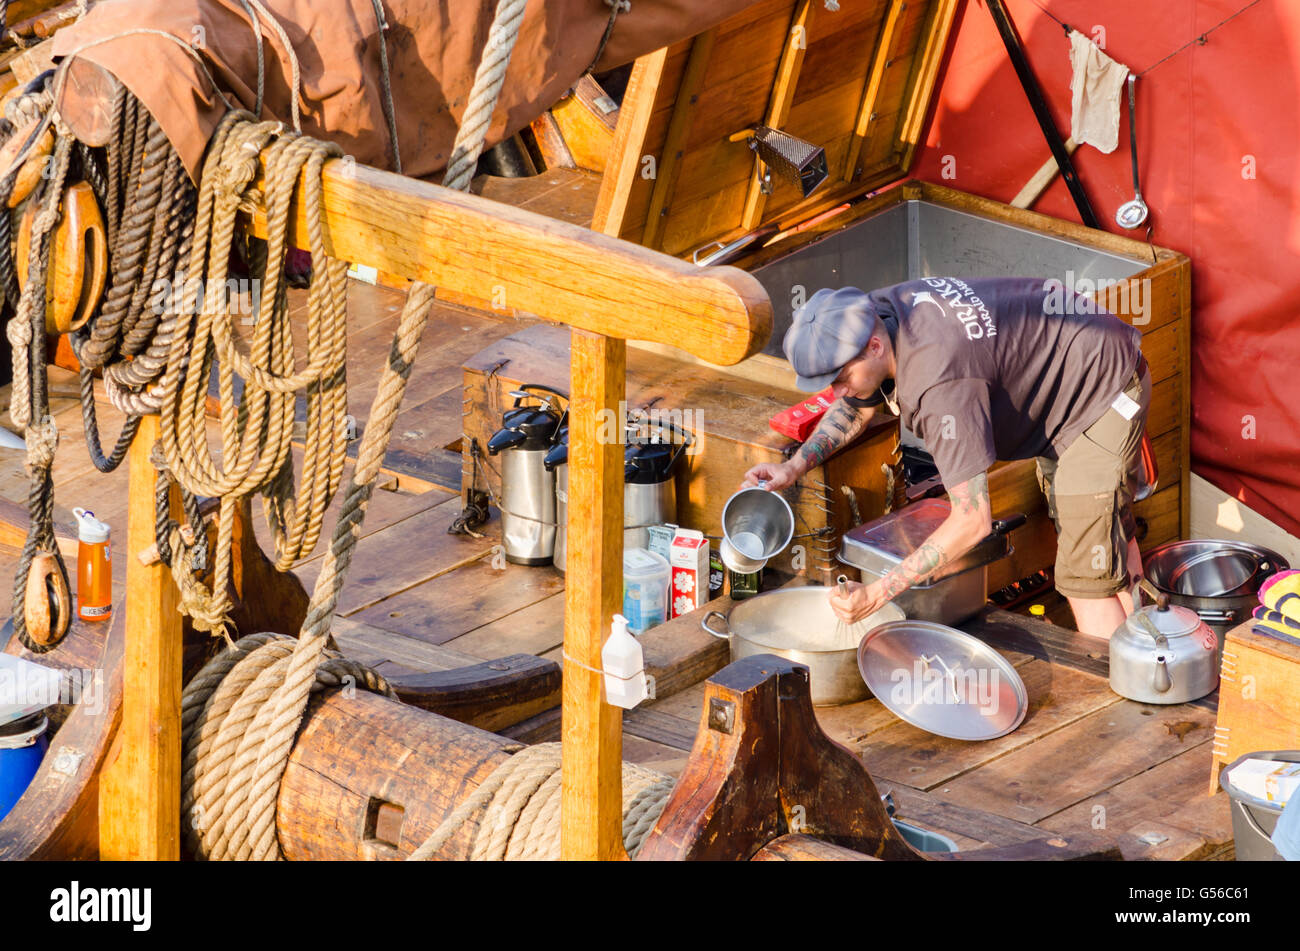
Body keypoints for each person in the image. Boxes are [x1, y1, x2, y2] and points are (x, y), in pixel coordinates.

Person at [740, 278, 1151, 639]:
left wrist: (878, 594)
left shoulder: (940, 384)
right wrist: (793, 467)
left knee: (1084, 578)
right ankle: (1152, 641)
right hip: (1063, 374)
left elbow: (972, 521)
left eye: (840, 379)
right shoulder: (877, 313)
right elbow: (856, 404)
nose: (838, 392)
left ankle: (1121, 704)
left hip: (1101, 390)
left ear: (874, 346)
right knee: (1098, 529)